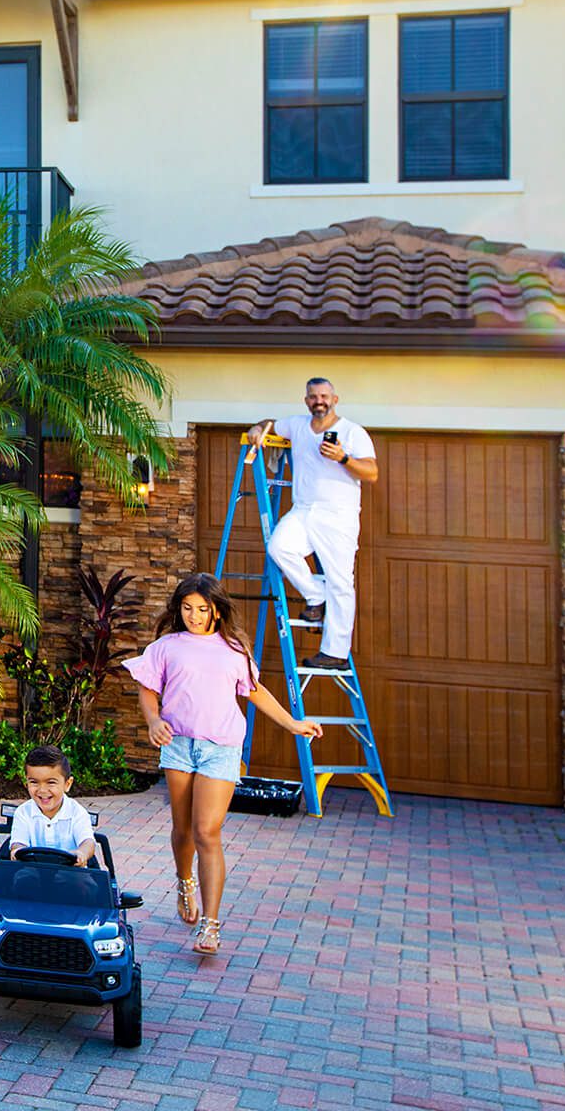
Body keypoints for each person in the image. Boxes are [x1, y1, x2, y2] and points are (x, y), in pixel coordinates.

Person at [128, 574, 323, 955]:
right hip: (179, 745)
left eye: (202, 609)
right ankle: (185, 882)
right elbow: (148, 692)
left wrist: (292, 723)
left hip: (221, 749)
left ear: (217, 610)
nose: (194, 616)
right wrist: (153, 721)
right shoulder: (166, 647)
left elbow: (254, 691)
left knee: (206, 832)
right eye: (187, 608)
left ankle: (210, 925)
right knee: (182, 830)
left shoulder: (233, 649)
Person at [245, 377, 378, 670]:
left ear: (335, 399)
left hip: (338, 514)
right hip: (304, 509)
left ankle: (335, 653)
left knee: (341, 582)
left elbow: (371, 472)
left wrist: (343, 457)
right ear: (306, 401)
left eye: (325, 396)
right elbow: (271, 423)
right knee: (279, 548)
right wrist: (258, 428)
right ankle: (315, 597)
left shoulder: (352, 432)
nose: (320, 401)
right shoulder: (297, 425)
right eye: (314, 396)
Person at [9, 746, 97, 865]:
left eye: (51, 782)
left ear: (67, 784)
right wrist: (17, 850)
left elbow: (88, 842)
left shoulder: (77, 813)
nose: (42, 790)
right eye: (34, 782)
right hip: (32, 870)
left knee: (86, 883)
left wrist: (81, 853)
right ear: (26, 783)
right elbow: (18, 842)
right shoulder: (23, 812)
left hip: (71, 872)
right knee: (18, 879)